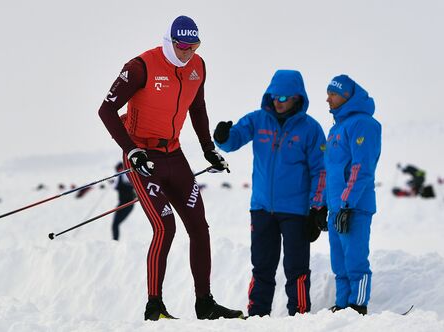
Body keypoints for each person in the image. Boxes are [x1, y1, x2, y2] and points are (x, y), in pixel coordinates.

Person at [97, 15, 242, 320]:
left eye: (194, 46)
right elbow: (107, 109)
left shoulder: (197, 67)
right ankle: (154, 307)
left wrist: (207, 149)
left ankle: (205, 303)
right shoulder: (141, 67)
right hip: (143, 158)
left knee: (200, 228)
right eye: (183, 46)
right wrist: (132, 150)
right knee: (166, 226)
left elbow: (197, 107)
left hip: (174, 155)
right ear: (170, 41)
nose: (188, 52)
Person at [213, 70, 327, 317]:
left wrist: (317, 207)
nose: (278, 101)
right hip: (262, 208)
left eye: (284, 97)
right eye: (274, 96)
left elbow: (321, 170)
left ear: (297, 97)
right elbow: (233, 140)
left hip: (296, 212)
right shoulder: (258, 120)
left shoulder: (311, 129)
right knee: (262, 266)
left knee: (296, 267)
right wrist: (222, 137)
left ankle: (299, 315)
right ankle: (257, 315)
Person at [324, 74, 381, 315]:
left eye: (333, 94)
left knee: (355, 260)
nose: (327, 99)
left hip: (354, 207)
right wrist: (324, 206)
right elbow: (331, 171)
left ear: (346, 96)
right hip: (337, 208)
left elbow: (361, 168)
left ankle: (358, 306)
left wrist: (347, 204)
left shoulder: (364, 124)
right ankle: (342, 305)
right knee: (339, 263)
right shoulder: (336, 128)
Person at [112, 161, 137, 240]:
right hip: (122, 203)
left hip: (128, 204)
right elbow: (115, 186)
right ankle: (115, 241)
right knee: (115, 224)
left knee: (115, 224)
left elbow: (129, 183)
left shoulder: (125, 174)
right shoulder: (121, 176)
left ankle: (115, 241)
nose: (118, 171)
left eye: (118, 170)